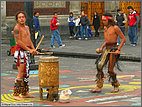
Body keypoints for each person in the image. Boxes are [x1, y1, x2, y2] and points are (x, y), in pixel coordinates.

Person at [89, 13, 126, 93]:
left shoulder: (115, 28)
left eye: (105, 20)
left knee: (110, 70)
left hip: (113, 50)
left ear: (109, 20)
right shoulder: (105, 28)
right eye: (102, 20)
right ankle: (99, 86)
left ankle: (116, 85)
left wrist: (118, 49)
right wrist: (102, 47)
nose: (103, 22)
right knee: (99, 66)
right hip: (107, 50)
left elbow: (123, 39)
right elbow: (107, 41)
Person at [13, 11, 39, 101]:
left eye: (23, 17)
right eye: (19, 17)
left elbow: (29, 40)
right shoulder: (16, 28)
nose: (21, 19)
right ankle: (16, 94)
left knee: (26, 73)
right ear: (17, 19)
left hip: (27, 51)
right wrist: (29, 50)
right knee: (20, 73)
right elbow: (19, 42)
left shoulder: (27, 27)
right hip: (21, 52)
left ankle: (24, 93)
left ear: (25, 18)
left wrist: (33, 49)